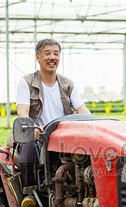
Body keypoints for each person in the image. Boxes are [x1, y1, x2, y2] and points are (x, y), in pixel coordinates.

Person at [15, 38, 90, 188]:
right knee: (28, 146)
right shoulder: (27, 82)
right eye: (47, 53)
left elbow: (83, 110)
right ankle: (30, 191)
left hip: (63, 136)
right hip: (39, 136)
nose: (52, 57)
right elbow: (23, 112)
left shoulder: (68, 84)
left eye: (56, 53)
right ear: (38, 57)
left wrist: (98, 124)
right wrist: (33, 128)